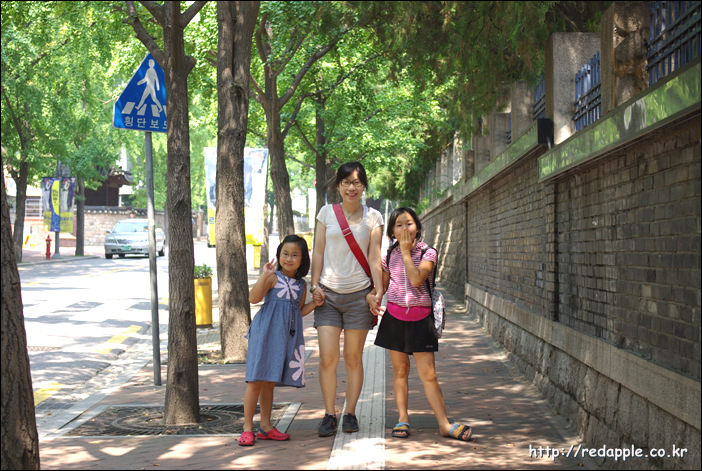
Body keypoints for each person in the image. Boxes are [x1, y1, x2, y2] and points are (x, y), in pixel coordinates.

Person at [372, 207, 473, 442]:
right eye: (398, 225)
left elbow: (417, 279)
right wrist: (372, 296)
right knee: (400, 371)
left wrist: (406, 253)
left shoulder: (428, 253)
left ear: (417, 227)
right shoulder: (389, 256)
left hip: (420, 320)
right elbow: (382, 287)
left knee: (429, 375)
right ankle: (402, 418)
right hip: (395, 318)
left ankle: (444, 424)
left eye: (408, 223)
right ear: (392, 232)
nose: (404, 228)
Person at [310, 161, 384, 436]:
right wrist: (314, 285)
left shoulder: (373, 217)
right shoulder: (326, 213)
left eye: (357, 183)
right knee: (328, 358)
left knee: (353, 358)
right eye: (346, 182)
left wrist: (377, 292)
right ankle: (329, 413)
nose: (351, 188)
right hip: (328, 296)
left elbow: (375, 257)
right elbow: (318, 252)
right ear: (338, 186)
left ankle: (350, 412)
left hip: (359, 298)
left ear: (363, 186)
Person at [238, 234, 319, 446]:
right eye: (285, 254)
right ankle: (247, 428)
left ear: (303, 259)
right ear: (279, 255)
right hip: (264, 333)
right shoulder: (273, 277)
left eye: (294, 255)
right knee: (255, 380)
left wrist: (314, 303)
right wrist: (264, 276)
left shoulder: (301, 285)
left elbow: (297, 311)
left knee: (269, 382)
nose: (289, 259)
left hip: (283, 337)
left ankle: (266, 426)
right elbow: (253, 298)